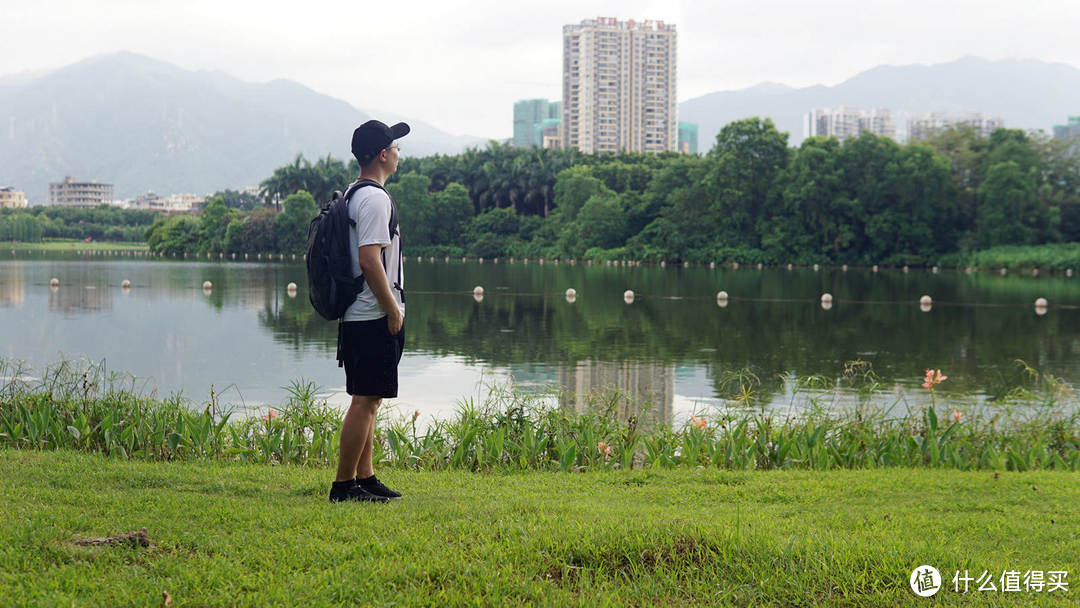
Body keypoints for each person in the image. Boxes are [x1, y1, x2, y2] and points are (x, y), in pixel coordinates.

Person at [329, 120, 409, 503]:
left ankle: (365, 477)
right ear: (382, 155)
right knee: (364, 400)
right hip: (371, 313)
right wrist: (391, 309)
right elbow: (369, 260)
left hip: (360, 312)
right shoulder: (375, 198)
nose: (398, 153)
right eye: (395, 147)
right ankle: (344, 486)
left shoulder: (355, 192)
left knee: (370, 397)